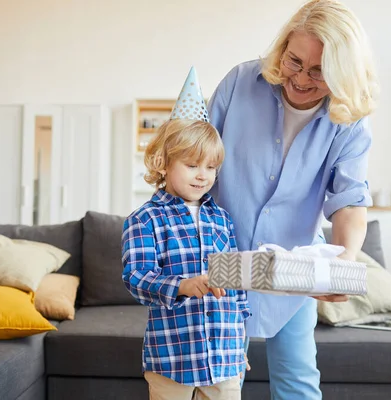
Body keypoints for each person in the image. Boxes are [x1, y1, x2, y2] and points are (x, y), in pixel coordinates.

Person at [207, 0, 379, 398]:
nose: (301, 78)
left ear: (343, 73)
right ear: (283, 48)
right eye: (294, 60)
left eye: (319, 71)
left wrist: (345, 261)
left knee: (297, 383)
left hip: (294, 265)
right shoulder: (240, 83)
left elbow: (350, 197)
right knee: (210, 382)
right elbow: (195, 159)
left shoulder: (349, 118)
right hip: (220, 263)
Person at [122, 67, 250, 400]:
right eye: (192, 165)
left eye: (211, 167)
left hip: (224, 360)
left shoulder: (222, 219)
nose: (203, 175)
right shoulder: (145, 219)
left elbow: (235, 286)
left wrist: (240, 345)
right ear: (163, 163)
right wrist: (181, 285)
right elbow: (136, 277)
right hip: (172, 361)